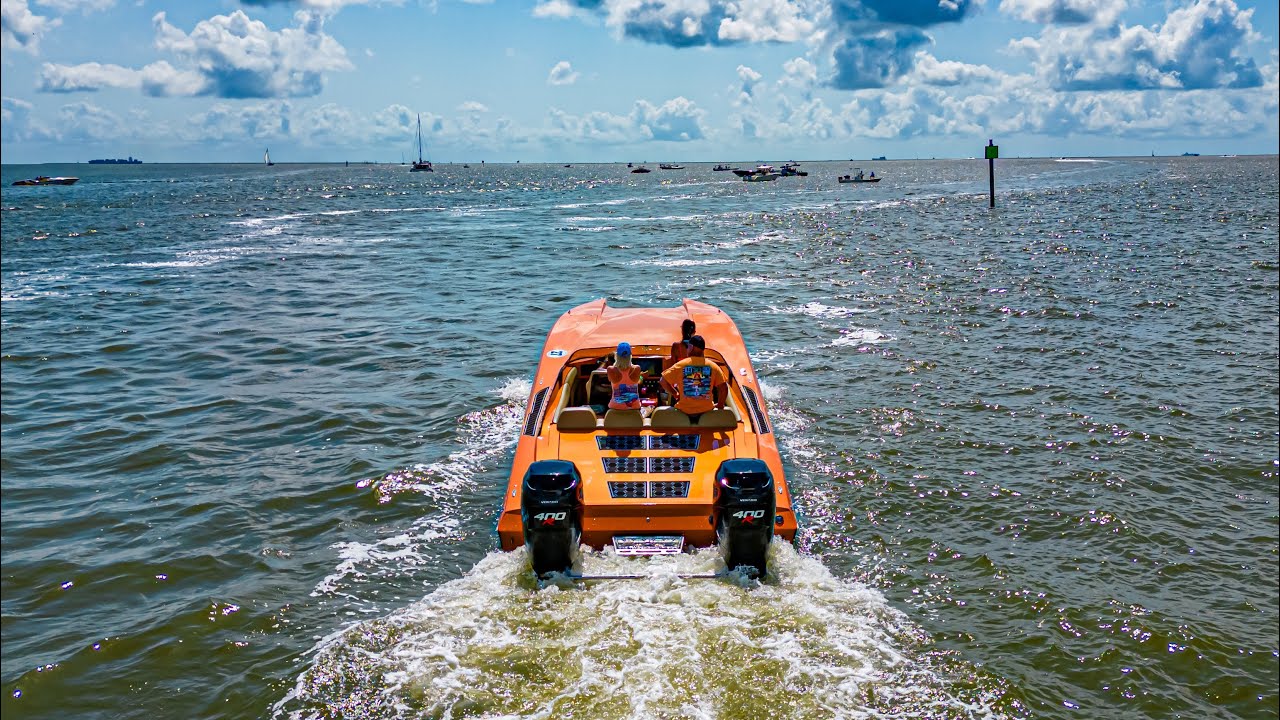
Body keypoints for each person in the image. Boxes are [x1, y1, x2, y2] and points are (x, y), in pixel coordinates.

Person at [660, 335, 727, 420]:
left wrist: (675, 394)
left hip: (684, 413)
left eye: (688, 347)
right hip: (706, 413)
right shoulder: (713, 366)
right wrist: (720, 405)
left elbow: (663, 381)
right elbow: (723, 388)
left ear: (691, 347)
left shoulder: (680, 365)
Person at [607, 342, 643, 412]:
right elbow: (638, 381)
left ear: (616, 355)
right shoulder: (637, 368)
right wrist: (642, 377)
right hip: (634, 409)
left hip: (615, 408)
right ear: (630, 355)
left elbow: (609, 379)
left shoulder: (610, 369)